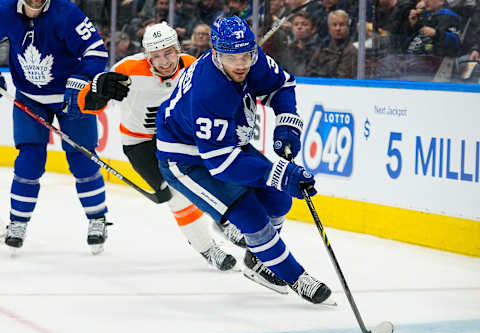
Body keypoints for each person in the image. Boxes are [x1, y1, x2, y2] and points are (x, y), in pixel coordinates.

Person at [154, 16, 333, 304]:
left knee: (279, 201)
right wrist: (283, 175)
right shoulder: (208, 90)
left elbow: (282, 85)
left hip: (224, 145)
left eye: (246, 56)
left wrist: (287, 122)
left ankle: (259, 261)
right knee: (251, 217)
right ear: (215, 54)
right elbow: (221, 164)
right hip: (187, 159)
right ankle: (295, 277)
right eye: (231, 57)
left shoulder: (252, 57)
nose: (241, 64)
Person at [77, 22, 245, 271]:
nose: (164, 61)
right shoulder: (128, 71)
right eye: (156, 56)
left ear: (178, 49)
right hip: (140, 142)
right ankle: (206, 247)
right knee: (173, 194)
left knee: (210, 177)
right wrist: (95, 92)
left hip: (178, 138)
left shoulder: (192, 67)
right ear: (147, 56)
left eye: (168, 53)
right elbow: (88, 105)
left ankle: (223, 220)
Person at [0, 0, 124, 255]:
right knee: (29, 162)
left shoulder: (66, 13)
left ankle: (97, 219)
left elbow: (97, 51)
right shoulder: (4, 9)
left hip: (72, 99)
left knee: (83, 161)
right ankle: (17, 223)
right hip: (30, 98)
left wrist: (81, 80)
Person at [307, 10, 357, 78]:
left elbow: (343, 77)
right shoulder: (322, 47)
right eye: (334, 25)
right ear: (329, 28)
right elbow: (309, 70)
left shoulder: (350, 50)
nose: (338, 28)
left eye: (342, 25)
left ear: (348, 27)